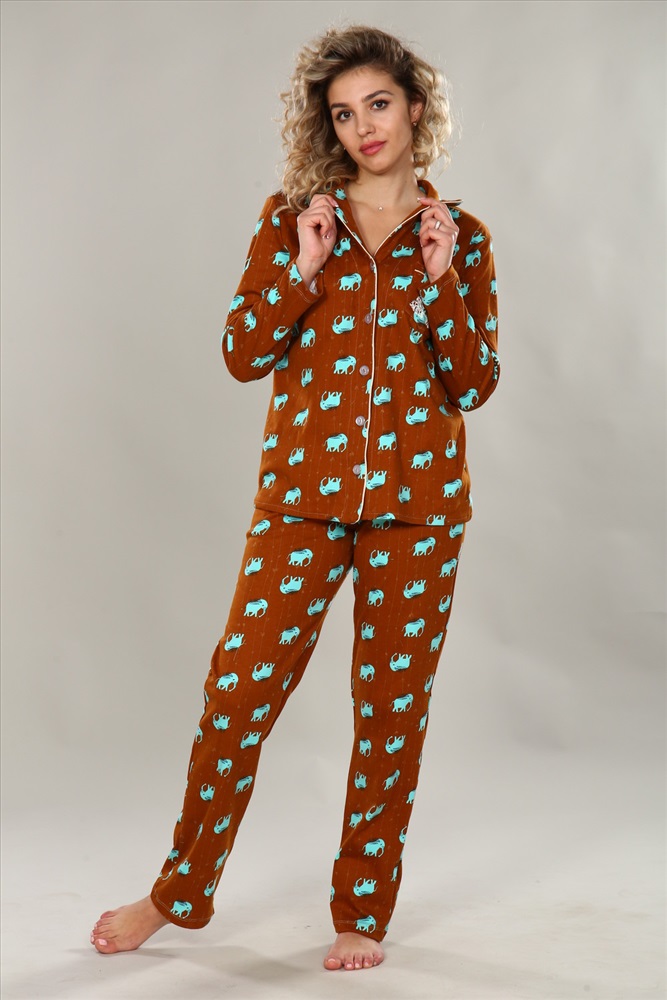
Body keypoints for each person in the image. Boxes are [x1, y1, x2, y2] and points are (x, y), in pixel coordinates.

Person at [90, 23, 500, 972]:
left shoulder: (461, 237)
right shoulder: (293, 222)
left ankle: (362, 911)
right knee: (236, 692)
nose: (363, 127)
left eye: (378, 104)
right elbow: (242, 353)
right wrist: (302, 268)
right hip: (301, 503)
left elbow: (474, 383)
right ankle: (178, 892)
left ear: (415, 107)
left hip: (418, 511)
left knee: (389, 713)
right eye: (343, 113)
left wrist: (441, 282)